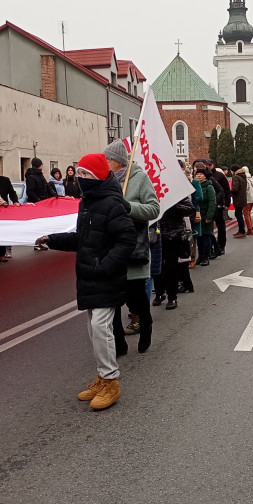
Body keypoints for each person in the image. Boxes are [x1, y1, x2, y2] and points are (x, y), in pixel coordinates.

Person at [38, 153, 135, 411]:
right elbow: (82, 239)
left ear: (97, 177)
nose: (79, 179)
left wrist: (105, 266)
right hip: (89, 277)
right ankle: (102, 378)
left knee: (102, 328)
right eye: (78, 174)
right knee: (94, 330)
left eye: (85, 175)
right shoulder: (87, 203)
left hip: (105, 276)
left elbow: (127, 240)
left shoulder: (113, 204)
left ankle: (111, 382)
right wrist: (53, 240)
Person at [105, 139, 159, 356]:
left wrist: (128, 207)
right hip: (111, 250)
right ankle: (119, 342)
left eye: (108, 159)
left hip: (134, 248)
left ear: (117, 161)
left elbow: (153, 209)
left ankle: (146, 326)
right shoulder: (105, 181)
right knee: (114, 301)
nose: (105, 162)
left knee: (136, 299)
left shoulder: (139, 178)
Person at [152, 193, 194, 310]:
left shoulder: (175, 191)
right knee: (156, 265)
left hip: (172, 234)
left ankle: (172, 296)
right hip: (154, 234)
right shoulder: (151, 189)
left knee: (171, 266)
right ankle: (160, 292)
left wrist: (175, 205)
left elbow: (190, 209)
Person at [193, 166, 217, 264]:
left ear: (205, 176)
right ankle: (200, 256)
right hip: (197, 215)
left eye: (201, 174)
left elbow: (212, 202)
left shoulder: (209, 187)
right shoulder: (193, 186)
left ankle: (206, 257)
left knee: (206, 237)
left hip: (206, 214)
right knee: (199, 237)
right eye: (197, 174)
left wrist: (209, 216)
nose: (199, 176)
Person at [231, 164, 249, 238]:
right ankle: (241, 230)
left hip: (238, 198)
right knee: (239, 214)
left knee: (238, 215)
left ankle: (242, 231)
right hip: (242, 198)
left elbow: (235, 189)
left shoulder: (236, 177)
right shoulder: (243, 177)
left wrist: (229, 192)